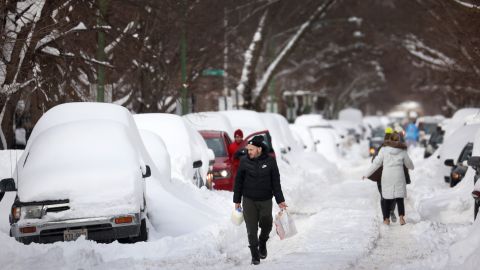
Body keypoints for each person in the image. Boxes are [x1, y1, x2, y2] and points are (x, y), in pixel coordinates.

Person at [233, 135, 287, 265]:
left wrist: (280, 200)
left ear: (258, 149)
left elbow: (276, 182)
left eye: (251, 149)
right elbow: (238, 181)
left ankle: (262, 242)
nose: (248, 152)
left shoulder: (270, 161)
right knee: (251, 229)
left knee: (267, 224)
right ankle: (255, 255)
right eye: (248, 149)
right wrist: (237, 200)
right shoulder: (244, 161)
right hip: (249, 200)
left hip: (265, 199)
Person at [364, 132, 414, 225]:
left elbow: (376, 163)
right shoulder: (402, 151)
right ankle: (402, 218)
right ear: (398, 140)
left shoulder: (383, 150)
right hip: (399, 176)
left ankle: (386, 219)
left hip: (387, 176)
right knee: (399, 198)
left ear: (389, 140)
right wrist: (412, 167)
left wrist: (366, 174)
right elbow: (409, 164)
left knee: (386, 197)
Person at [372, 127, 398, 223]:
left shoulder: (380, 149)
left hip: (381, 177)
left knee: (384, 197)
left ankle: (385, 218)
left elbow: (373, 161)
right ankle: (390, 210)